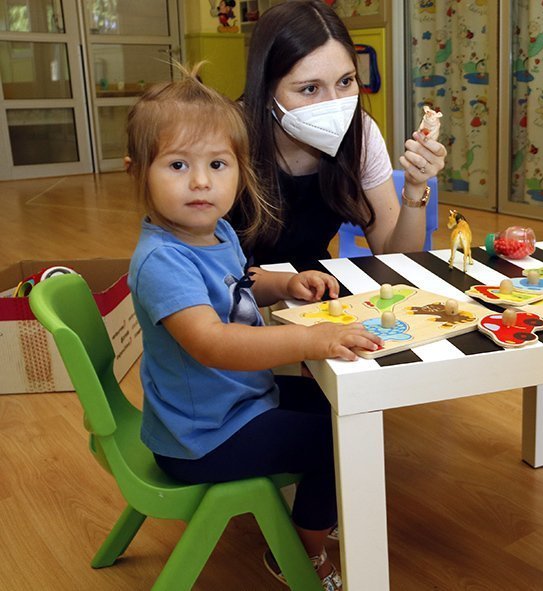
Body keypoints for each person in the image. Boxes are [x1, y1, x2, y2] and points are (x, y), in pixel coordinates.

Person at [125, 65, 382, 590]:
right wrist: (312, 338)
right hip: (202, 439)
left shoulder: (215, 230)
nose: (201, 182)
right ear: (137, 172)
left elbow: (241, 281)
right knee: (336, 439)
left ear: (240, 171)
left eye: (217, 164)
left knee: (343, 408)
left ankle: (313, 516)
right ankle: (300, 549)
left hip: (230, 407)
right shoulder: (162, 262)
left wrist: (285, 285)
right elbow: (214, 343)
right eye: (178, 165)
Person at [233, 0, 447, 266]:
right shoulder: (227, 134)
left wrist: (415, 186)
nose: (334, 105)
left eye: (345, 82)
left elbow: (396, 256)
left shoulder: (361, 132)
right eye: (310, 89)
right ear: (266, 92)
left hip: (314, 291)